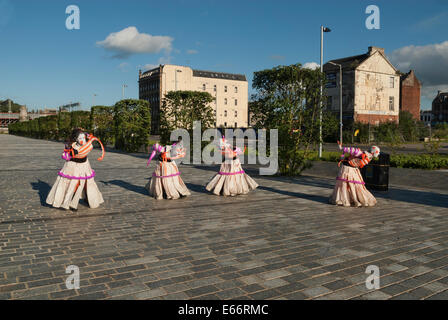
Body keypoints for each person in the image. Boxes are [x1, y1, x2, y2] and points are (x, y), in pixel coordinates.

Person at [46, 128, 105, 210]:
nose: (82, 140)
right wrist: (70, 154)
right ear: (76, 139)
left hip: (84, 165)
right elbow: (64, 155)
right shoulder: (70, 145)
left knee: (85, 183)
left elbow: (90, 145)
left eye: (83, 138)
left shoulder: (87, 144)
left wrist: (90, 140)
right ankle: (66, 202)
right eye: (80, 138)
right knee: (71, 184)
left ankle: (89, 199)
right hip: (72, 166)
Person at [329, 141, 380, 207]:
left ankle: (353, 199)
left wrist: (342, 148)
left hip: (352, 168)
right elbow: (350, 150)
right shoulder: (361, 154)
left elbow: (350, 151)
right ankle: (354, 200)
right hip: (348, 168)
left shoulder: (367, 157)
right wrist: (341, 148)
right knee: (349, 184)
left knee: (352, 184)